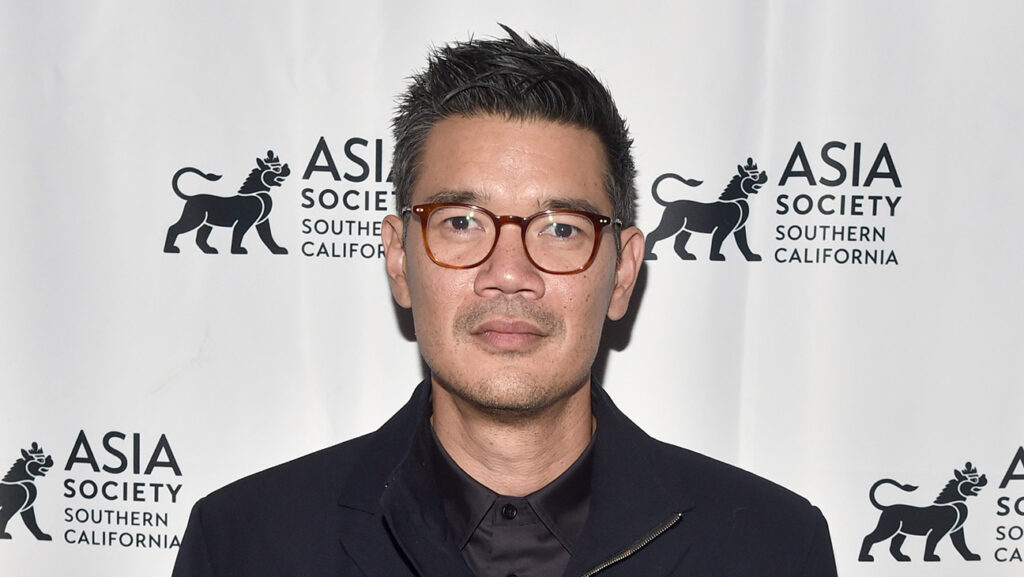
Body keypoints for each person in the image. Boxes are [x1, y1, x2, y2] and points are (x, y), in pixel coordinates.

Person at [171, 26, 838, 577]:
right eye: (462, 222)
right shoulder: (245, 546)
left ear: (623, 273)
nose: (510, 274)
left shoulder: (772, 549)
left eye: (562, 229)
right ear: (399, 260)